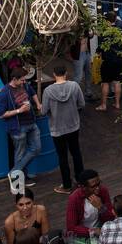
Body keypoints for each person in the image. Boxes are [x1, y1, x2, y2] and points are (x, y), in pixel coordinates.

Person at [43, 63, 87, 195]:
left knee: (62, 157)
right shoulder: (74, 86)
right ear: (66, 73)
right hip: (73, 126)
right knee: (76, 153)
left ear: (54, 75)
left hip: (57, 129)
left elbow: (44, 110)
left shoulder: (48, 91)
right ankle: (81, 181)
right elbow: (82, 104)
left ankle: (67, 185)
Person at [0, 67, 41, 178]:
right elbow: (1, 114)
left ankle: (15, 172)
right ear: (14, 79)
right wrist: (19, 110)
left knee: (36, 148)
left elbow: (32, 93)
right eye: (21, 80)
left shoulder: (25, 85)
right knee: (20, 154)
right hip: (18, 127)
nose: (24, 82)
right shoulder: (5, 92)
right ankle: (19, 178)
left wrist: (38, 104)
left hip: (31, 122)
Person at [95, 9, 122, 112]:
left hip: (108, 60)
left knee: (105, 82)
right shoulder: (120, 25)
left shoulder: (105, 30)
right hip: (119, 59)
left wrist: (98, 51)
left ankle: (103, 105)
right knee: (117, 82)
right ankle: (117, 104)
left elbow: (102, 46)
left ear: (107, 20)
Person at [65, 169, 115, 238]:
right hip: (83, 235)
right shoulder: (74, 198)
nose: (97, 188)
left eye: (98, 184)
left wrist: (101, 208)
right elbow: (71, 228)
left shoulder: (103, 191)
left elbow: (111, 218)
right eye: (93, 186)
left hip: (102, 231)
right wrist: (92, 231)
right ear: (83, 187)